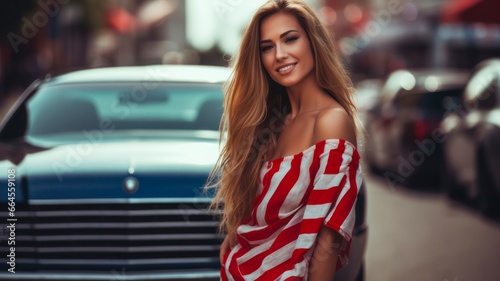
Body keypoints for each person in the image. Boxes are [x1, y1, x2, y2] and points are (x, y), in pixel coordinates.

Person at [207, 0, 362, 280]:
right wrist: (237, 237)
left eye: (290, 39)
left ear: (313, 42)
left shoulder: (331, 121)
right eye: (267, 47)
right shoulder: (272, 124)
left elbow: (328, 238)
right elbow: (259, 215)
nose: (279, 54)